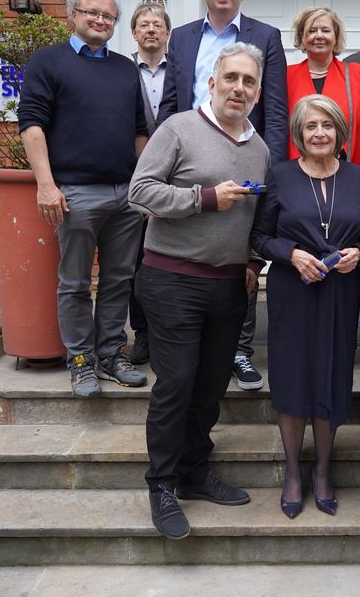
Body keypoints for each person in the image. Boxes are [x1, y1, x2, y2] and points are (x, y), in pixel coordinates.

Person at [129, 42, 270, 540]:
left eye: (248, 81)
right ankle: (162, 485)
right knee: (175, 386)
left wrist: (254, 260)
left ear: (258, 90)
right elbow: (140, 191)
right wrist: (204, 198)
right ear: (212, 81)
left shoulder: (259, 148)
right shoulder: (179, 129)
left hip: (229, 286)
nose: (238, 88)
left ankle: (192, 470)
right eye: (230, 77)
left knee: (210, 388)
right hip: (172, 280)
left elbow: (257, 217)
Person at [156, 0, 286, 391]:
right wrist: (165, 153)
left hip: (243, 152)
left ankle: (240, 351)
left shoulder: (266, 36)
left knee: (240, 248)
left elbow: (274, 106)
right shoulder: (182, 37)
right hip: (189, 154)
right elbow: (171, 101)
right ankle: (187, 344)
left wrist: (273, 167)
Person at [18, 0, 149, 398]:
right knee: (74, 282)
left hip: (125, 195)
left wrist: (143, 187)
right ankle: (80, 359)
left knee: (119, 280)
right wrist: (46, 185)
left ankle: (110, 354)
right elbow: (31, 124)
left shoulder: (125, 70)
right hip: (74, 194)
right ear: (72, 14)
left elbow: (140, 131)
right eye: (92, 13)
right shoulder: (48, 62)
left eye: (109, 17)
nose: (100, 21)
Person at [251, 96, 360, 519]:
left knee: (332, 377)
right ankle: (292, 470)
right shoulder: (280, 176)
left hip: (340, 295)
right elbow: (260, 237)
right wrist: (292, 254)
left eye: (327, 126)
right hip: (293, 292)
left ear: (340, 132)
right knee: (292, 378)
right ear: (299, 135)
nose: (319, 133)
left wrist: (359, 252)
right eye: (310, 127)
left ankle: (322, 469)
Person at [287, 6, 360, 171]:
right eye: (312, 30)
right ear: (302, 37)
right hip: (298, 178)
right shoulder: (286, 77)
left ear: (336, 37)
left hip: (351, 178)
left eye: (326, 30)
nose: (319, 36)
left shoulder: (358, 75)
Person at [127, 3, 172, 365]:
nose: (151, 30)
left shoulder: (182, 71)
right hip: (131, 179)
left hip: (174, 180)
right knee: (134, 263)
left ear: (168, 34)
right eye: (144, 24)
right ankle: (141, 333)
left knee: (168, 260)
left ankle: (167, 333)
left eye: (158, 24)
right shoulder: (122, 72)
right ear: (134, 33)